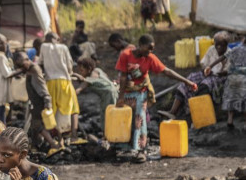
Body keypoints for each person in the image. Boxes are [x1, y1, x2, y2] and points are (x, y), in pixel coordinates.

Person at [116, 34, 197, 162]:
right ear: (140, 45)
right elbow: (123, 76)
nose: (150, 51)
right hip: (126, 93)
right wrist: (120, 97)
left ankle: (139, 150)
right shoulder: (126, 55)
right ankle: (122, 144)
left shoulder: (150, 58)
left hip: (141, 92)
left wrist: (187, 81)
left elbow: (167, 71)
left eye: (152, 49)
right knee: (125, 120)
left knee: (139, 119)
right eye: (148, 48)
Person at [159, 31, 231, 121]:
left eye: (221, 45)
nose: (218, 47)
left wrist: (221, 67)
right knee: (189, 80)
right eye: (217, 44)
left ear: (226, 44)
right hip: (209, 74)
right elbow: (204, 64)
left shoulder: (230, 54)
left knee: (204, 85)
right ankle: (173, 112)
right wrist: (205, 70)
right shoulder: (211, 49)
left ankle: (196, 114)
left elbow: (226, 72)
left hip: (220, 77)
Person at [12, 51, 64, 156]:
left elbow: (41, 86)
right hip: (36, 101)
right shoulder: (30, 69)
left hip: (40, 101)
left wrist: (47, 101)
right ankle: (37, 145)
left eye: (22, 65)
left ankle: (54, 144)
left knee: (39, 125)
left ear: (26, 61)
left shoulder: (34, 70)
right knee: (40, 124)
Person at [40, 33, 84, 143]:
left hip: (50, 82)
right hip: (64, 81)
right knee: (73, 108)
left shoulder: (43, 47)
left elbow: (40, 63)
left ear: (46, 40)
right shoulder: (63, 47)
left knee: (53, 110)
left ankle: (58, 140)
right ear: (58, 39)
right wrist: (70, 73)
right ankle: (74, 136)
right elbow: (69, 65)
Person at [207, 35, 246, 129]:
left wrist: (210, 66)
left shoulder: (236, 49)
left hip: (232, 77)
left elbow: (222, 57)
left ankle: (230, 120)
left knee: (231, 99)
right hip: (243, 79)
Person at [73, 57, 118, 134]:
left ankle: (107, 134)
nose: (81, 73)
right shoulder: (98, 70)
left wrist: (71, 93)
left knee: (106, 115)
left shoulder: (89, 80)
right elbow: (106, 76)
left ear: (89, 69)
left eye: (82, 71)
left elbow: (79, 90)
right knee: (114, 113)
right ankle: (115, 132)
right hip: (115, 92)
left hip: (107, 96)